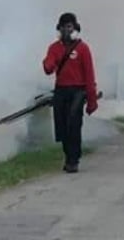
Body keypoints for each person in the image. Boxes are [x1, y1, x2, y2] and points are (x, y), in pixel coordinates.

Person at [42, 12, 98, 173]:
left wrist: (92, 100)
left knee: (74, 124)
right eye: (63, 27)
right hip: (61, 90)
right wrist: (47, 64)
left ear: (75, 28)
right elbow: (49, 67)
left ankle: (74, 159)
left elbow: (89, 75)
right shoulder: (54, 48)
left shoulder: (83, 48)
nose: (66, 30)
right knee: (62, 126)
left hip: (78, 91)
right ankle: (68, 156)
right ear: (59, 29)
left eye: (69, 26)